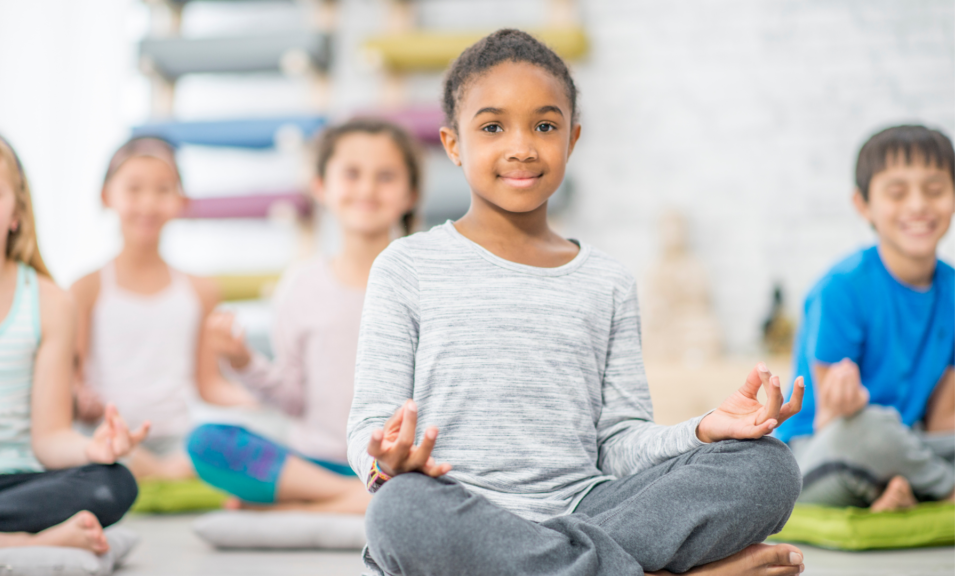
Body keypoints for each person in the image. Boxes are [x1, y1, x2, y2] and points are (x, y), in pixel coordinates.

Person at [347, 29, 807, 576]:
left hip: (588, 511)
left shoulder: (607, 281)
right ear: (452, 145)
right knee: (398, 511)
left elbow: (618, 441)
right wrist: (385, 460)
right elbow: (370, 421)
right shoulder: (406, 266)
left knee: (768, 467)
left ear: (572, 139)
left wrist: (703, 429)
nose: (522, 146)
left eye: (545, 126)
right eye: (493, 127)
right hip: (458, 509)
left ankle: (566, 565)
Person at [0, 121, 146, 553]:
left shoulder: (49, 302)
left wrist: (93, 450)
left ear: (17, 212)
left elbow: (49, 439)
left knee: (113, 483)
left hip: (17, 485)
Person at [189, 118, 421, 514]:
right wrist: (242, 362)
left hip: (396, 464)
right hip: (315, 463)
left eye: (385, 177)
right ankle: (351, 496)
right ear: (320, 187)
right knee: (207, 442)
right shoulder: (301, 285)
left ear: (410, 194)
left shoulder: (423, 282)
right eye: (351, 174)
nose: (367, 189)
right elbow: (292, 399)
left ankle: (305, 506)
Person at [775, 125, 955, 511]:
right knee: (869, 430)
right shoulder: (841, 288)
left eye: (935, 189)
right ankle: (943, 493)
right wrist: (847, 405)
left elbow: (943, 422)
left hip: (909, 446)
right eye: (897, 192)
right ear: (863, 204)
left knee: (897, 439)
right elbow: (829, 422)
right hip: (824, 452)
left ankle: (899, 492)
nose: (918, 205)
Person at [71, 137, 254, 481]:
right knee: (107, 453)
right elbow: (74, 381)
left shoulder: (201, 290)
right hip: (111, 438)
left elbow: (208, 384)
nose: (148, 203)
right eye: (134, 189)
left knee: (233, 440)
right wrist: (80, 399)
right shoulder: (86, 288)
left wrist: (259, 401)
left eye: (163, 190)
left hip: (179, 441)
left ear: (181, 200)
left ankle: (160, 474)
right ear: (107, 196)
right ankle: (164, 476)